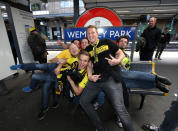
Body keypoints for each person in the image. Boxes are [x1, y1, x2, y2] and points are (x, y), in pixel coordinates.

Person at [94, 36, 171, 128]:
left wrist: (120, 64)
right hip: (115, 75)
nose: (123, 43)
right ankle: (155, 81)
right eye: (121, 41)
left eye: (125, 42)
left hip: (123, 75)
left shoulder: (126, 56)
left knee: (125, 81)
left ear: (126, 44)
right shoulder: (112, 50)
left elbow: (127, 68)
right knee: (124, 83)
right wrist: (118, 62)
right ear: (117, 43)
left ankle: (120, 115)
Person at [79, 25, 133, 131]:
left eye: (93, 32)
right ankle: (100, 128)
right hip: (96, 79)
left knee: (119, 109)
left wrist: (117, 61)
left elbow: (120, 53)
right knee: (83, 101)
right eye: (88, 33)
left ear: (97, 34)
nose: (90, 35)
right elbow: (89, 65)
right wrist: (90, 76)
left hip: (111, 78)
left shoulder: (106, 41)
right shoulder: (88, 49)